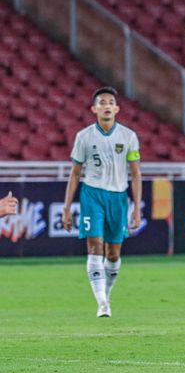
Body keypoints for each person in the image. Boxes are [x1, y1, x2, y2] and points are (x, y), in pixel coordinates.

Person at [62, 87, 142, 318]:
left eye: (110, 102)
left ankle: (106, 295)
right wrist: (67, 208)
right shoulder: (84, 137)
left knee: (114, 254)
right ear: (94, 109)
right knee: (95, 246)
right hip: (92, 195)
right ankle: (102, 303)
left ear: (116, 109)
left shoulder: (128, 137)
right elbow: (75, 173)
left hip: (118, 197)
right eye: (102, 102)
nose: (106, 105)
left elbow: (135, 174)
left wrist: (137, 207)